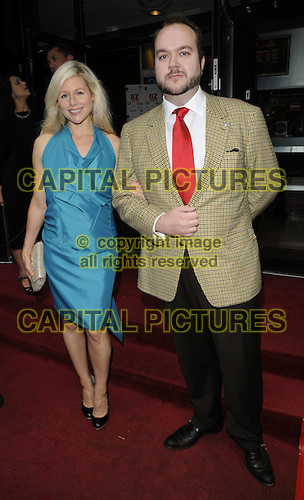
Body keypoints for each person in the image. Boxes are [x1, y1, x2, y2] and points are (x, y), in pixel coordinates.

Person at [112, 13, 281, 487]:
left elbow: (267, 180)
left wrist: (228, 220)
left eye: (183, 52)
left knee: (241, 361)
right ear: (155, 65)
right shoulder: (135, 131)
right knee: (192, 356)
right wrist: (160, 222)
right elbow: (124, 197)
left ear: (202, 60)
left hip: (231, 263)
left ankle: (249, 437)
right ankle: (205, 418)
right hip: (169, 267)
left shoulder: (243, 117)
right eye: (162, 55)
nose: (173, 63)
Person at [22, 60, 122, 430]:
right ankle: (85, 383)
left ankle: (102, 390)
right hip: (60, 247)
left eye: (79, 92)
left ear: (93, 96)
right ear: (56, 103)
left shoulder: (113, 143)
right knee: (69, 322)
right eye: (64, 95)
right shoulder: (44, 143)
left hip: (99, 250)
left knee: (95, 326)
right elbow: (38, 200)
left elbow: (125, 195)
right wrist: (29, 249)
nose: (73, 101)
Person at [0, 73, 40, 294]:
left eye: (23, 81)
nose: (24, 83)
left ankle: (39, 267)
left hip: (39, 176)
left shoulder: (41, 115)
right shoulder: (4, 118)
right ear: (9, 91)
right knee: (17, 225)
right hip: (14, 178)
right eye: (17, 82)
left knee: (40, 223)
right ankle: (23, 271)